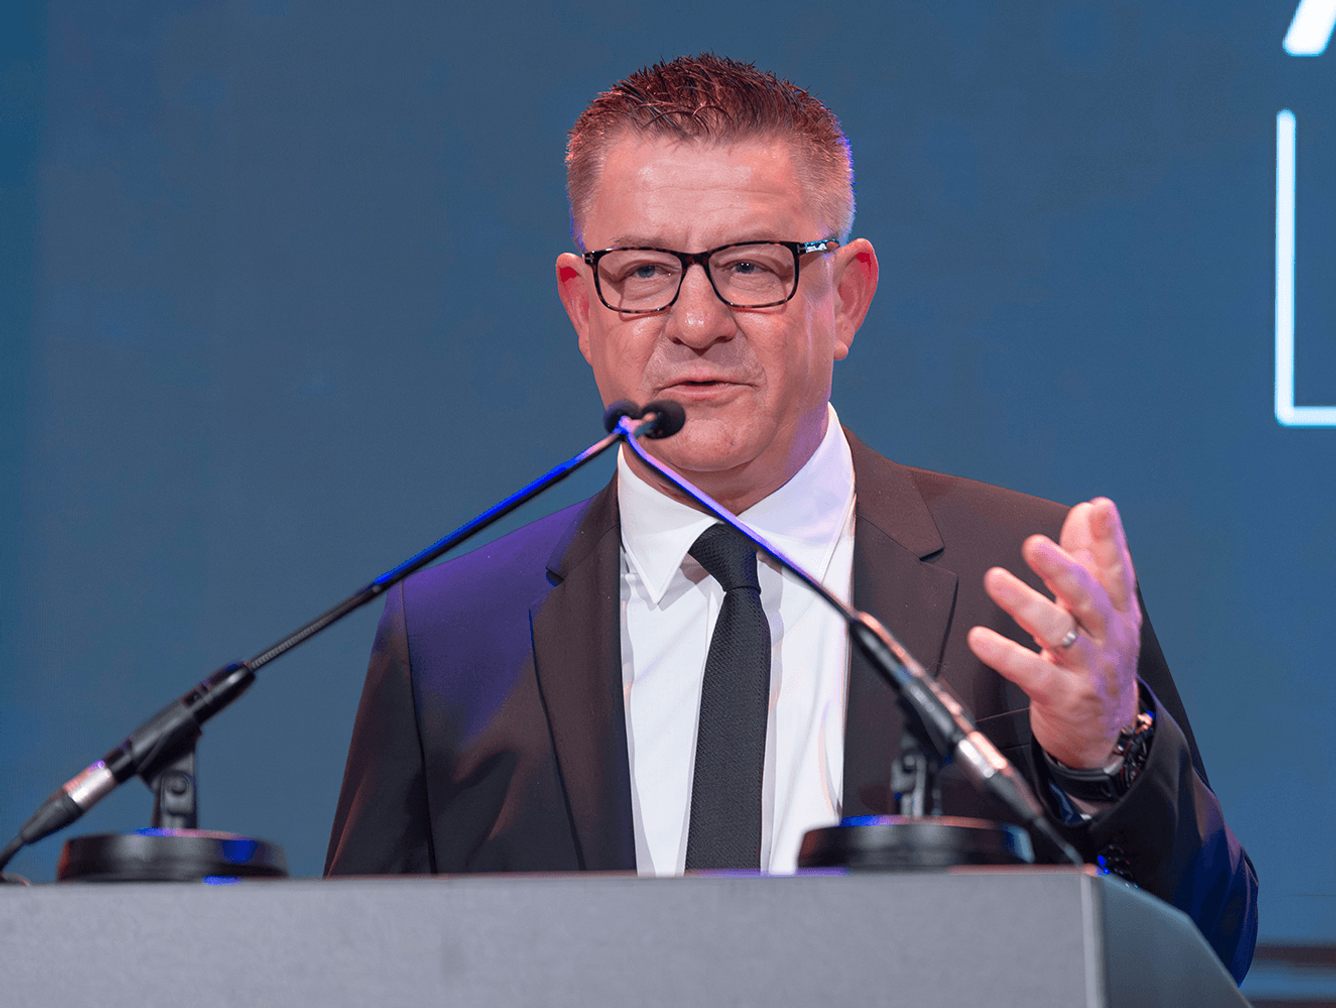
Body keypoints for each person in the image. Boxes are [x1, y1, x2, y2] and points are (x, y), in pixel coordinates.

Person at [326, 55, 1256, 981]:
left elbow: (1210, 954)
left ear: (844, 298)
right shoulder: (449, 637)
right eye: (644, 271)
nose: (696, 322)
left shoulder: (1024, 585)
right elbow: (354, 973)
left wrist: (1103, 761)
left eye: (749, 267)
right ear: (582, 305)